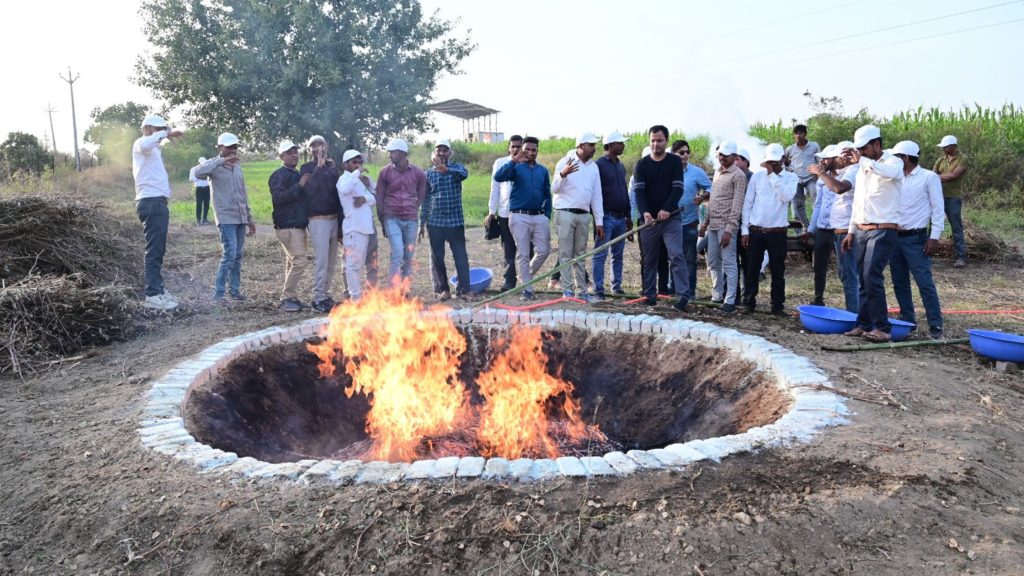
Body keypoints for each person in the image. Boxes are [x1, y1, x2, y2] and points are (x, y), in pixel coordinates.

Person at [841, 125, 903, 343]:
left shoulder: (893, 162)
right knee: (862, 278)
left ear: (877, 144)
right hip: (861, 229)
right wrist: (851, 231)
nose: (862, 153)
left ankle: (882, 327)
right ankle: (863, 324)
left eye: (864, 148)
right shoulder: (862, 168)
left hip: (883, 229)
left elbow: (890, 173)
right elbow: (858, 202)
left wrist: (862, 161)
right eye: (859, 150)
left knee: (871, 276)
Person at [891, 140, 945, 339]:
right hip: (895, 237)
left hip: (916, 238)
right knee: (899, 282)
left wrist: (934, 237)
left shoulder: (929, 177)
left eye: (896, 158)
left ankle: (935, 325)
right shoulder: (896, 177)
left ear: (905, 158)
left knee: (924, 282)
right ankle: (908, 320)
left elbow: (938, 209)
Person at [632, 125, 689, 311]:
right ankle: (649, 294)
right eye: (653, 140)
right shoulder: (642, 165)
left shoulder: (674, 162)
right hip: (649, 220)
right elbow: (639, 192)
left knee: (675, 254)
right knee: (649, 258)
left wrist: (666, 208)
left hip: (670, 218)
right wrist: (645, 213)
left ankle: (682, 295)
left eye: (659, 140)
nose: (656, 144)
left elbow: (678, 188)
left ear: (666, 141)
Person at [195, 132, 256, 303]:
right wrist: (221, 160)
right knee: (229, 254)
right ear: (220, 148)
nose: (233, 150)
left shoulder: (237, 167)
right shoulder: (214, 166)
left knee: (237, 255)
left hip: (240, 216)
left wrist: (250, 218)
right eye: (229, 147)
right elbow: (198, 172)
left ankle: (234, 291)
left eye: (235, 147)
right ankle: (219, 294)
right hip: (225, 217)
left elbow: (242, 193)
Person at [132, 115, 184, 310]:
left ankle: (158, 290)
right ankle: (152, 295)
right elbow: (146, 143)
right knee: (154, 250)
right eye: (157, 129)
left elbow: (152, 143)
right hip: (150, 202)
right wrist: (166, 132)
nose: (161, 133)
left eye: (163, 129)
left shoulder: (153, 149)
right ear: (146, 128)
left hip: (157, 202)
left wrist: (164, 133)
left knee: (158, 249)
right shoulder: (141, 143)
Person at [741, 143, 797, 316]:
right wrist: (744, 230)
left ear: (782, 159)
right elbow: (748, 203)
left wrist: (772, 176)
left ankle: (777, 306)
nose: (771, 166)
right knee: (751, 269)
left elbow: (786, 196)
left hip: (777, 232)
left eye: (775, 162)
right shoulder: (757, 178)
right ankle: (749, 303)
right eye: (769, 162)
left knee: (778, 271)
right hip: (756, 231)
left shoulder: (790, 178)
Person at [493, 136, 551, 300]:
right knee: (523, 254)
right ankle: (528, 290)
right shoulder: (516, 168)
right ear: (522, 150)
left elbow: (548, 193)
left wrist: (547, 215)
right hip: (519, 216)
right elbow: (498, 177)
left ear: (537, 151)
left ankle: (525, 277)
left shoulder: (543, 171)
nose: (530, 153)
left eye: (534, 150)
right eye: (527, 149)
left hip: (539, 216)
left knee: (544, 251)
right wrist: (513, 161)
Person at [552, 133, 604, 300]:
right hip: (565, 212)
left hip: (583, 215)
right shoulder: (564, 162)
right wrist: (563, 174)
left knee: (580, 255)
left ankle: (582, 292)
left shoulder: (593, 167)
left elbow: (597, 195)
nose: (594, 148)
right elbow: (554, 188)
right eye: (591, 145)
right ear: (581, 146)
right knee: (566, 254)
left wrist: (599, 221)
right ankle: (567, 291)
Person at [421, 139, 472, 300]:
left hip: (455, 221)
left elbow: (464, 175)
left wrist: (446, 170)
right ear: (434, 154)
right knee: (438, 258)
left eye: (445, 150)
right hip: (435, 222)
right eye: (439, 150)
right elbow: (425, 199)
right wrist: (421, 223)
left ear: (450, 153)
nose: (442, 153)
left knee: (461, 257)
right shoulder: (428, 174)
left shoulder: (457, 168)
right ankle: (444, 289)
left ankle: (464, 290)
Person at [377, 138, 427, 286]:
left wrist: (414, 206)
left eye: (392, 152)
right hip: (392, 217)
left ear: (402, 153)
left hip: (411, 219)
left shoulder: (418, 173)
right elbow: (380, 197)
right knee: (398, 252)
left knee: (408, 255)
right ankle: (393, 291)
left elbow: (422, 192)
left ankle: (404, 290)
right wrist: (383, 221)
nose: (389, 155)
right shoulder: (384, 173)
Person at [703, 140, 746, 309]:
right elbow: (713, 200)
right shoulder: (717, 172)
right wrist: (705, 223)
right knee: (713, 262)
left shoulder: (738, 176)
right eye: (720, 154)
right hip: (713, 224)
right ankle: (717, 294)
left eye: (726, 155)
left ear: (735, 157)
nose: (722, 158)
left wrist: (729, 229)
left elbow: (737, 205)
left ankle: (730, 299)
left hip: (726, 226)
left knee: (729, 262)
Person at [301, 135, 342, 312]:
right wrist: (318, 168)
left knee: (332, 260)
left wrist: (341, 224)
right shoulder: (306, 168)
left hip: (333, 218)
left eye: (321, 145)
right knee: (321, 260)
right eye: (314, 146)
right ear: (309, 150)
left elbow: (338, 195)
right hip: (317, 219)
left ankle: (325, 294)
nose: (318, 148)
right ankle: (318, 298)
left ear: (326, 147)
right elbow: (309, 191)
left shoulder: (332, 167)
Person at [268, 139, 309, 312]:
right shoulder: (279, 175)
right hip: (287, 225)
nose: (294, 155)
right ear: (281, 156)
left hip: (297, 226)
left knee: (292, 262)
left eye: (295, 152)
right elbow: (278, 199)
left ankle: (291, 298)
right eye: (289, 152)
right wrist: (299, 185)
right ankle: (286, 297)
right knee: (300, 261)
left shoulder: (295, 173)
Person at [592, 131, 632, 299]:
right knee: (601, 254)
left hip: (620, 217)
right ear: (610, 145)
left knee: (618, 255)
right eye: (619, 143)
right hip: (606, 217)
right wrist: (598, 220)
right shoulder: (599, 165)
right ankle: (599, 289)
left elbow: (624, 191)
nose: (623, 145)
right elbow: (594, 193)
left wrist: (628, 216)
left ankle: (616, 286)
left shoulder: (620, 165)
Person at [336, 149, 377, 302]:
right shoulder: (343, 180)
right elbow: (346, 189)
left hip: (364, 229)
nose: (358, 165)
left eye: (360, 162)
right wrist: (357, 173)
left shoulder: (358, 181)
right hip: (354, 229)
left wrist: (364, 199)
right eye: (354, 162)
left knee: (358, 266)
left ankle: (357, 297)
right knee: (353, 266)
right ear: (345, 164)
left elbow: (373, 199)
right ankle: (355, 299)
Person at [486, 135, 524, 291]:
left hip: (523, 213)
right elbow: (495, 188)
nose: (516, 149)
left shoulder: (527, 163)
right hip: (504, 212)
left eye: (518, 146)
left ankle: (525, 279)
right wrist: (491, 211)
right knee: (508, 248)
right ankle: (509, 281)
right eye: (513, 146)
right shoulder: (500, 163)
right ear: (509, 147)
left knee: (526, 248)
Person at [676, 139, 712, 301]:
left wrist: (703, 196)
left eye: (687, 152)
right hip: (671, 222)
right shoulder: (668, 170)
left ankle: (690, 292)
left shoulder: (696, 172)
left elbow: (711, 188)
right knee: (674, 257)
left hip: (689, 222)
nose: (685, 155)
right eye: (681, 152)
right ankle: (675, 289)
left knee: (689, 259)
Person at [805, 145, 840, 306]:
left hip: (839, 230)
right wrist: (811, 229)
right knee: (819, 267)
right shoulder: (821, 179)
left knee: (845, 269)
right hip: (822, 229)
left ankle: (853, 305)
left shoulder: (845, 177)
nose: (823, 161)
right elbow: (818, 205)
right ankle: (818, 299)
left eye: (826, 158)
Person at [934, 135, 968, 268]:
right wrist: (937, 177)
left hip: (953, 197)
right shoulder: (940, 160)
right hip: (938, 196)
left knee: (956, 227)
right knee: (933, 224)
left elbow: (954, 176)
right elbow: (933, 175)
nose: (943, 149)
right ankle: (929, 253)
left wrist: (937, 177)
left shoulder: (963, 159)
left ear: (954, 146)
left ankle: (961, 257)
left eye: (946, 147)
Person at [784, 124, 820, 228]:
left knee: (816, 200)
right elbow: (785, 164)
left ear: (805, 134)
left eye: (800, 133)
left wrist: (818, 172)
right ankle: (806, 226)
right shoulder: (790, 149)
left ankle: (816, 225)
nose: (798, 135)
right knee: (798, 205)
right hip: (796, 179)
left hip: (811, 178)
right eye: (796, 133)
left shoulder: (814, 146)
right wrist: (788, 166)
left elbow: (820, 161)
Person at [188, 156, 211, 225]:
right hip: (199, 188)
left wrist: (206, 178)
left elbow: (211, 177)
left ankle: (204, 218)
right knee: (199, 204)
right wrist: (199, 178)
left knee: (207, 204)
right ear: (198, 163)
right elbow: (191, 178)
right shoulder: (194, 169)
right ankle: (198, 220)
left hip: (207, 187)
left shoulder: (208, 169)